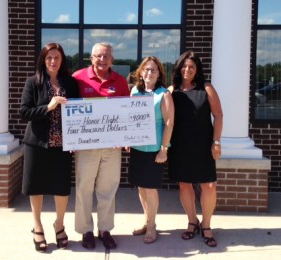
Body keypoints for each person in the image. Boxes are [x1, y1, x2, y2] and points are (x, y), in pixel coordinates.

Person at [20, 43, 79, 252]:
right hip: (37, 144)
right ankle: (37, 226)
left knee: (61, 187)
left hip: (63, 145)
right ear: (43, 61)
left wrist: (77, 139)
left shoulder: (70, 83)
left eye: (56, 57)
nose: (53, 61)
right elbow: (25, 112)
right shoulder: (33, 83)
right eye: (49, 58)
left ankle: (59, 224)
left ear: (62, 60)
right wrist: (49, 106)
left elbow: (79, 112)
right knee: (36, 186)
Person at [72, 42, 130, 249]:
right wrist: (72, 138)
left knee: (108, 188)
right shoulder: (78, 78)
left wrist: (126, 137)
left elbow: (126, 112)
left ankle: (105, 229)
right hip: (86, 146)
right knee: (84, 188)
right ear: (91, 57)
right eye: (98, 56)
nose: (102, 60)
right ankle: (86, 230)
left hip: (112, 146)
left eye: (106, 56)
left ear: (112, 59)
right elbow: (69, 109)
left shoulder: (120, 81)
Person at [168, 50, 223, 247]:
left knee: (209, 185)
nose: (187, 69)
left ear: (197, 69)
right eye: (184, 65)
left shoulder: (206, 88)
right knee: (185, 184)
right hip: (180, 145)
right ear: (179, 68)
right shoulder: (172, 90)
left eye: (191, 66)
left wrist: (216, 141)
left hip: (203, 145)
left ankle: (206, 225)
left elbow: (218, 115)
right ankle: (192, 221)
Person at [128, 56, 174, 244]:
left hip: (154, 149)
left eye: (153, 70)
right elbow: (129, 118)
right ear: (140, 72)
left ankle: (152, 225)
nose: (149, 73)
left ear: (159, 74)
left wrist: (164, 149)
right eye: (146, 69)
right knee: (141, 186)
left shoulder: (163, 94)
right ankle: (146, 221)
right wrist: (127, 138)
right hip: (137, 147)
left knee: (151, 188)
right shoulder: (135, 92)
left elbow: (169, 123)